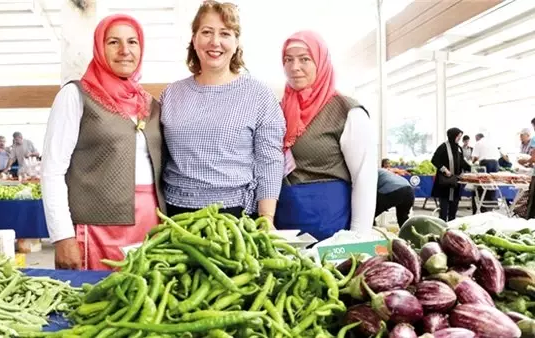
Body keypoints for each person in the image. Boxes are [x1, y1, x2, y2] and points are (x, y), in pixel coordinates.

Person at [41, 14, 165, 270]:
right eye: (113, 42)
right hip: (98, 227)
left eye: (132, 42)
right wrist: (63, 236)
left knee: (144, 301)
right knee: (95, 301)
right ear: (99, 47)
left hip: (151, 224)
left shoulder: (150, 104)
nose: (125, 51)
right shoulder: (76, 95)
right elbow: (52, 171)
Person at [160, 1, 285, 220]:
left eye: (225, 33)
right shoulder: (171, 94)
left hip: (235, 216)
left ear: (236, 42)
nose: (215, 42)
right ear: (194, 38)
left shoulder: (259, 95)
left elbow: (269, 160)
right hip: (175, 215)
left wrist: (267, 218)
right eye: (206, 32)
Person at [274, 31, 377, 241]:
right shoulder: (277, 110)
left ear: (320, 62)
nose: (294, 67)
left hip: (330, 228)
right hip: (283, 227)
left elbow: (364, 178)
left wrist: (358, 237)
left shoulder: (347, 111)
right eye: (288, 59)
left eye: (305, 59)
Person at [431, 128, 471, 221]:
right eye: (458, 136)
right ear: (453, 136)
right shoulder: (443, 147)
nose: (459, 139)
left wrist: (472, 169)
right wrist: (444, 170)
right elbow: (434, 160)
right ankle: (443, 224)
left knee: (454, 206)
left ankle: (452, 224)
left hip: (455, 182)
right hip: (445, 182)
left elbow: (462, 162)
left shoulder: (458, 148)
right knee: (444, 208)